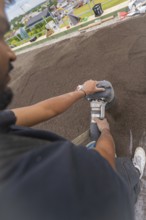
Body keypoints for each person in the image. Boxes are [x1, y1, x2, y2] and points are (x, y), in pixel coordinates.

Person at [0, 1, 145, 220]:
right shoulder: (21, 180)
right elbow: (103, 163)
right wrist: (105, 132)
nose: (11, 53)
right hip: (97, 200)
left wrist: (82, 91)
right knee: (117, 167)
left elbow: (44, 109)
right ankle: (134, 174)